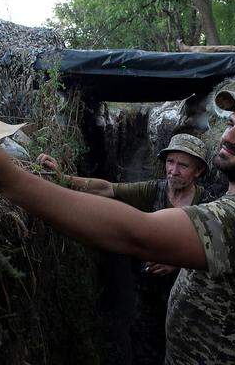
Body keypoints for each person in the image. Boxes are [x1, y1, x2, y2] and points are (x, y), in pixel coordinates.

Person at [0, 76, 235, 364]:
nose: (229, 136)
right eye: (230, 123)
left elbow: (137, 234)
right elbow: (110, 190)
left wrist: (7, 179)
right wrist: (54, 177)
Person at [36, 133, 209, 365]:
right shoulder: (154, 190)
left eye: (183, 165)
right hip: (147, 292)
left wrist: (178, 261)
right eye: (170, 162)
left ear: (198, 171)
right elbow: (107, 189)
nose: (173, 170)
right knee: (144, 347)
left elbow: (216, 254)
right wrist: (62, 177)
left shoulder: (209, 206)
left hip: (187, 298)